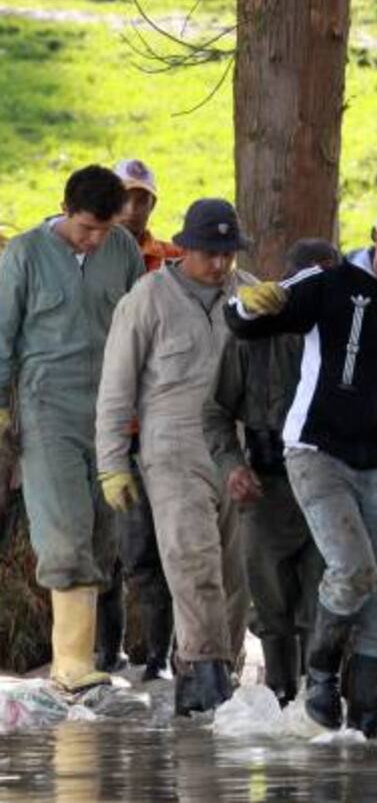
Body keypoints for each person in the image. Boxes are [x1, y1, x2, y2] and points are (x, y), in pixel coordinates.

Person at [225, 198, 377, 738]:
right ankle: (320, 680)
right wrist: (247, 304)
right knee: (353, 568)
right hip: (315, 453)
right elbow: (250, 324)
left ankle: (366, 728)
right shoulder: (331, 283)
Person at [95, 198, 253, 715]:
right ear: (184, 247)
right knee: (193, 563)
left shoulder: (249, 296)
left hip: (235, 448)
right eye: (210, 253)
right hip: (171, 446)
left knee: (236, 574)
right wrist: (113, 462)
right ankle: (203, 676)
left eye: (228, 253)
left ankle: (220, 676)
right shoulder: (147, 299)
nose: (220, 264)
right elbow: (116, 388)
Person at [0, 164, 144, 693]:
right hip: (45, 405)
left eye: (106, 229)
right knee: (62, 528)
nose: (96, 238)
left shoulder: (123, 249)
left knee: (102, 532)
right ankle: (71, 663)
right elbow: (1, 334)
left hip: (108, 408)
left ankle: (91, 656)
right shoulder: (24, 255)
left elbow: (137, 328)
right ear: (64, 210)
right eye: (87, 228)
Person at [204, 239, 341, 706]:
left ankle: (318, 698)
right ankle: (281, 693)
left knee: (323, 599)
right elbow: (215, 413)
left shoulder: (350, 336)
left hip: (330, 486)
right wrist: (232, 466)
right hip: (267, 486)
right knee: (270, 602)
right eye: (305, 281)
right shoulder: (252, 335)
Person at [94, 157, 180, 680]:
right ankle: (106, 653)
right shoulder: (87, 251)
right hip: (102, 419)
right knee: (104, 546)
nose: (132, 208)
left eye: (143, 199)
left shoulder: (171, 260)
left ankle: (160, 659)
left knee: (149, 546)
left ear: (152, 205)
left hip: (155, 425)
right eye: (124, 197)